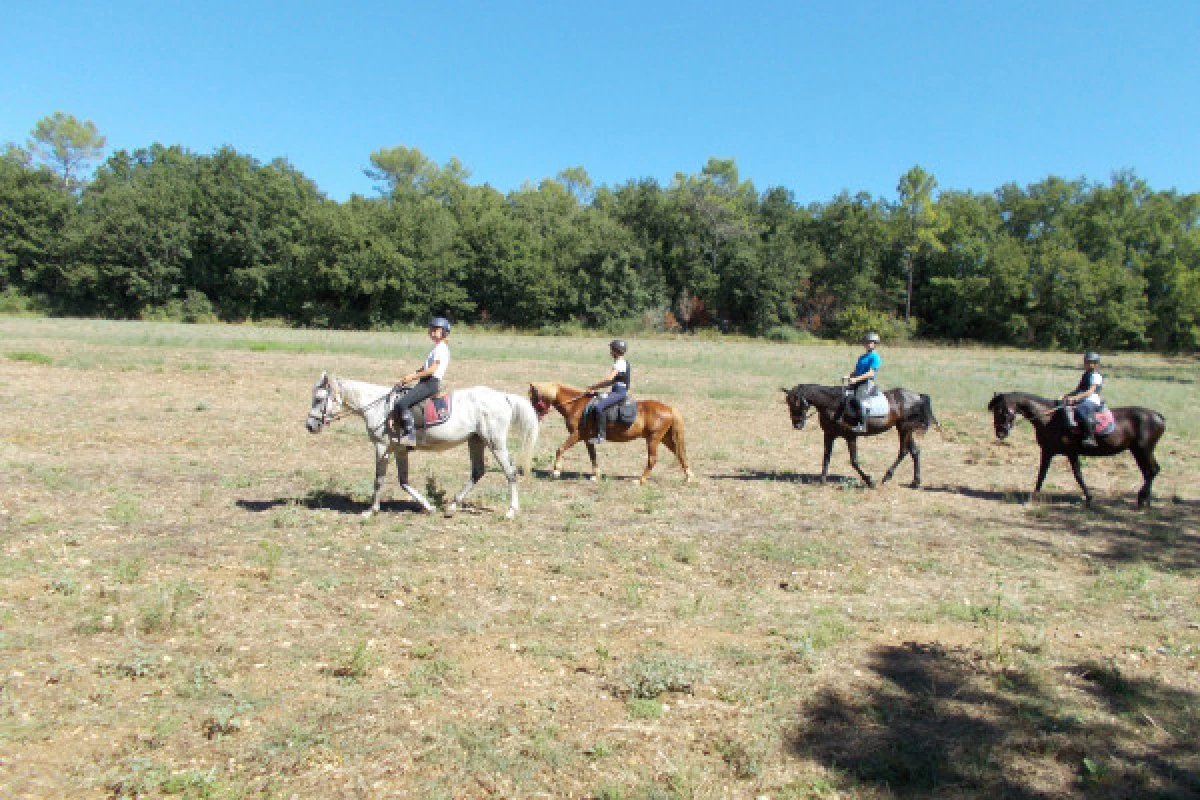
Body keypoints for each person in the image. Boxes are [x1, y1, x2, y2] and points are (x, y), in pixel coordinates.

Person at [394, 317, 451, 448]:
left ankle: (410, 435)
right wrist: (408, 376)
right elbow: (424, 368)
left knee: (402, 403)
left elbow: (431, 370)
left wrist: (412, 378)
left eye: (436, 330)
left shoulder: (441, 349)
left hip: (430, 383)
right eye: (431, 330)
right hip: (425, 381)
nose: (432, 333)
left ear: (444, 332)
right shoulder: (436, 348)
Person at [586, 339, 630, 443]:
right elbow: (610, 382)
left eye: (611, 350)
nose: (610, 352)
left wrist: (593, 386)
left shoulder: (619, 363)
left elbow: (609, 379)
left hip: (619, 393)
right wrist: (595, 389)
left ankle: (601, 436)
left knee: (599, 407)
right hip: (616, 390)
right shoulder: (621, 362)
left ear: (616, 351)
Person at [1060, 351, 1104, 447]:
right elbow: (1078, 389)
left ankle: (1090, 437)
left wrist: (1075, 398)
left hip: (1092, 400)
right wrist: (1067, 396)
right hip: (1082, 398)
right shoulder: (1085, 374)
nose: (1086, 364)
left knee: (1081, 409)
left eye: (1089, 362)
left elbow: (1090, 391)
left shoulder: (1096, 376)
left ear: (1095, 364)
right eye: (1086, 362)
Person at [842, 332, 881, 433]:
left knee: (858, 399)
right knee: (843, 395)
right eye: (866, 342)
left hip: (867, 382)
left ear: (875, 344)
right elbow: (856, 371)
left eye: (870, 342)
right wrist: (849, 376)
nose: (867, 344)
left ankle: (862, 425)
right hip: (857, 381)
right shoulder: (862, 357)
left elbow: (870, 373)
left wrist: (856, 379)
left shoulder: (875, 357)